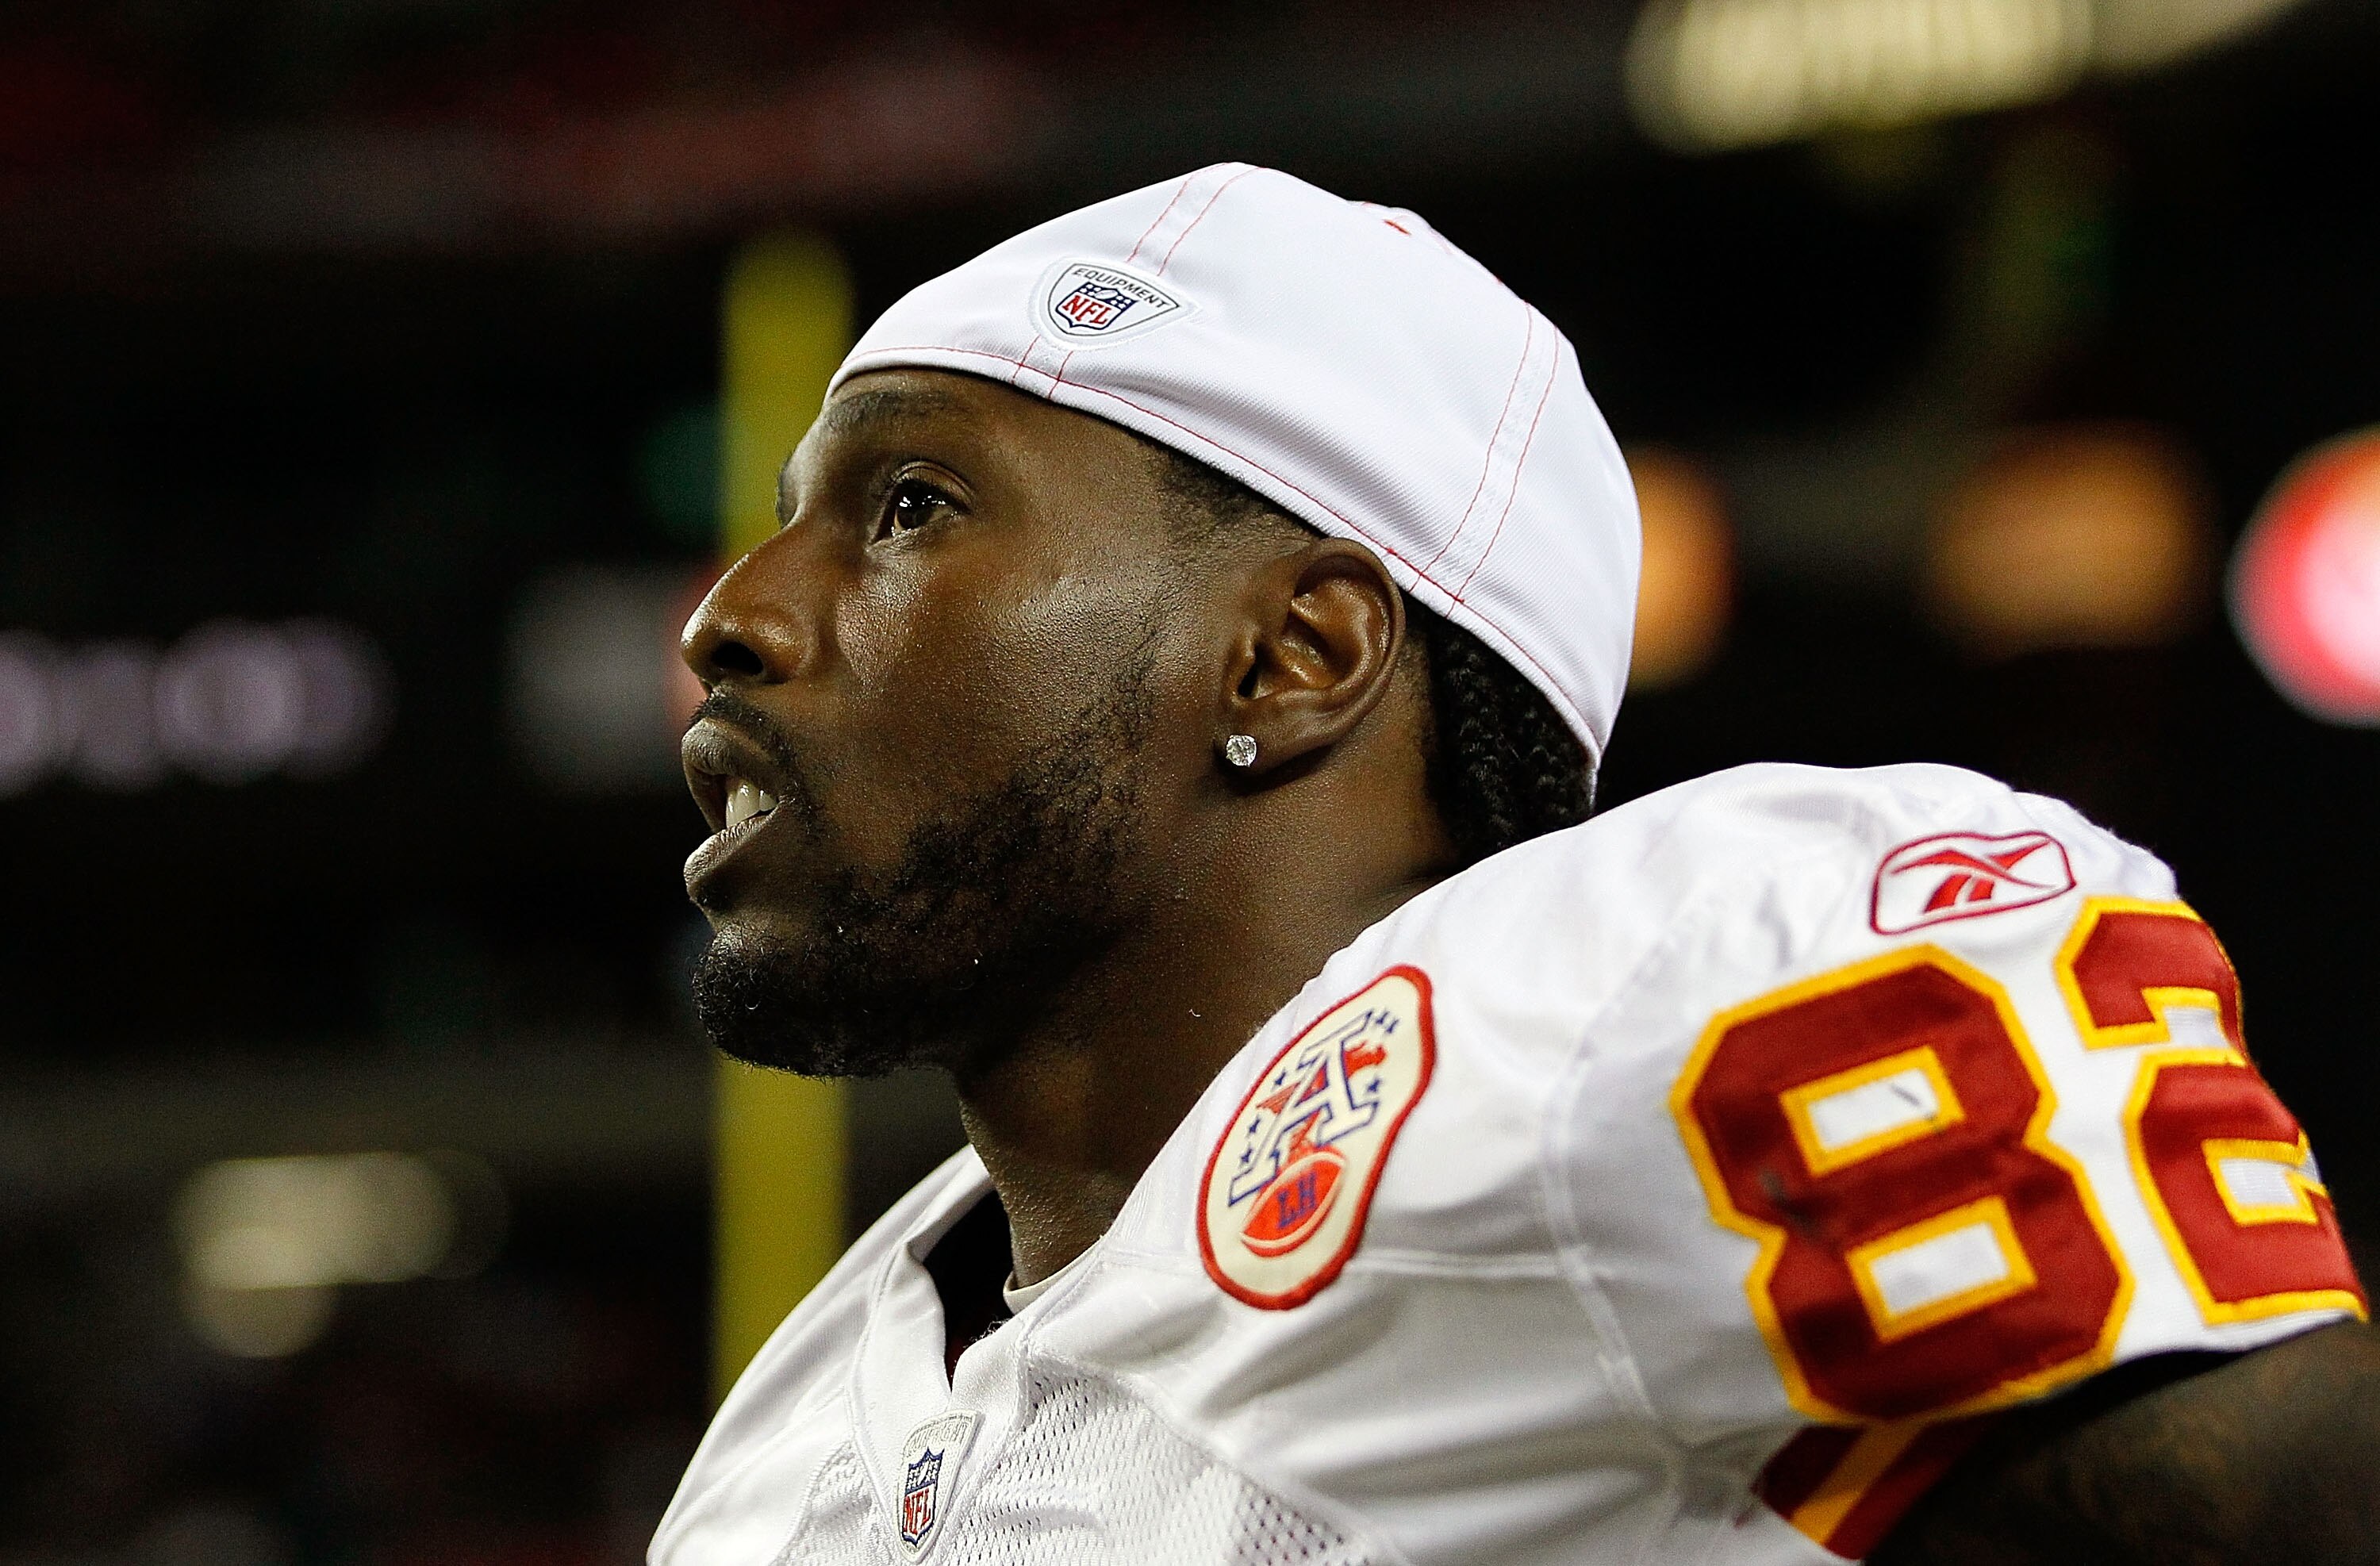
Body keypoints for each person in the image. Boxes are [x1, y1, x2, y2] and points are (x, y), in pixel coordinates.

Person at [654, 164, 2377, 1565]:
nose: (734, 612)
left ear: (1294, 655)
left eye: (909, 510)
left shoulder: (1631, 1003)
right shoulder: (783, 1448)